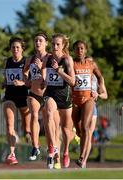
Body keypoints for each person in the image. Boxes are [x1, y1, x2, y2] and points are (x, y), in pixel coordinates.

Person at [43, 33, 75, 169]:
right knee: (49, 112)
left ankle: (66, 151)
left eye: (58, 44)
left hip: (65, 97)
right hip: (51, 94)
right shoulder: (48, 58)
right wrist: (42, 80)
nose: (55, 47)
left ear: (63, 46)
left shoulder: (67, 59)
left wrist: (59, 71)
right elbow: (43, 73)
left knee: (66, 130)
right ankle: (52, 146)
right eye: (53, 44)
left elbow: (72, 81)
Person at [72, 40, 105, 168]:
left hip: (88, 99)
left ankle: (82, 158)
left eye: (81, 48)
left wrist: (101, 86)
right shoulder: (72, 63)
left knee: (86, 127)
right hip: (75, 101)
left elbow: (100, 76)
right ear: (74, 51)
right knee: (80, 131)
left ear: (85, 50)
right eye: (77, 49)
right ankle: (83, 149)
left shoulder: (91, 64)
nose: (79, 51)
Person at [2, 37, 31, 165]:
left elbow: (31, 83)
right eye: (13, 47)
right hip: (10, 97)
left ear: (22, 49)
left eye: (18, 47)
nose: (15, 49)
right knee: (9, 124)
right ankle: (12, 154)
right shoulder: (7, 61)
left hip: (24, 98)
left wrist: (22, 83)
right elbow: (5, 78)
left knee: (27, 129)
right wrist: (4, 83)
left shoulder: (27, 62)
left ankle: (28, 136)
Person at [23, 32, 49, 161]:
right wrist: (26, 81)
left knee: (50, 122)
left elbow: (45, 82)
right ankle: (35, 146)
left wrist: (40, 68)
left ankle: (53, 149)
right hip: (34, 94)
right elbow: (24, 71)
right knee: (33, 114)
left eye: (40, 40)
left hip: (49, 95)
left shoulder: (50, 58)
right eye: (36, 41)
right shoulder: (30, 59)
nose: (37, 43)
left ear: (46, 43)